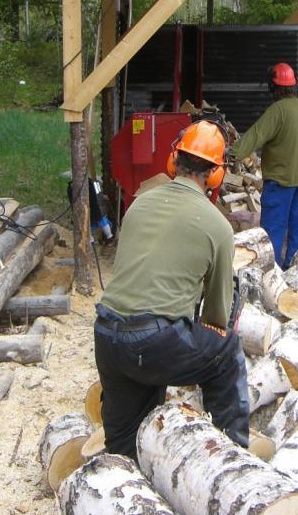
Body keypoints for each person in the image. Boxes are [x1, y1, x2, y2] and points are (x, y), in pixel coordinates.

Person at [93, 120, 249, 460]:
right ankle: (234, 459)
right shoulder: (218, 227)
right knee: (225, 353)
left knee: (123, 446)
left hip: (107, 336)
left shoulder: (138, 205)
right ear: (215, 174)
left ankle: (122, 482)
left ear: (173, 160)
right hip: (153, 343)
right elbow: (216, 319)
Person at [230, 62, 298, 268]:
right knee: (297, 230)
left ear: (273, 87)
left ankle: (271, 273)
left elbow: (255, 135)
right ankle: (294, 272)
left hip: (281, 182)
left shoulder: (277, 110)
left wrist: (231, 153)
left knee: (272, 232)